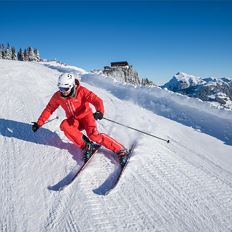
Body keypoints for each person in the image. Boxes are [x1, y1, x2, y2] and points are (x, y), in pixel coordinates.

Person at [32, 73, 129, 166]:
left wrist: (100, 111)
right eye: (60, 88)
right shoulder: (58, 96)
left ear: (71, 85)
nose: (63, 91)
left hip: (87, 117)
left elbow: (97, 100)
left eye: (65, 88)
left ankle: (120, 150)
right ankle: (86, 146)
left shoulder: (81, 91)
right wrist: (39, 123)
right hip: (74, 120)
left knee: (93, 135)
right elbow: (49, 108)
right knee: (64, 126)